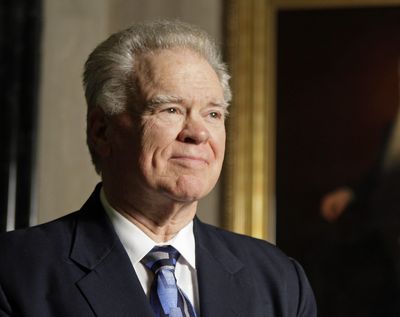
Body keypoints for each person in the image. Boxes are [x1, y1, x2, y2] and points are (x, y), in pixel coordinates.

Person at [0, 20, 316, 316]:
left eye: (213, 114)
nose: (198, 133)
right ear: (102, 131)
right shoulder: (13, 272)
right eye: (171, 109)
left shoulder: (280, 280)